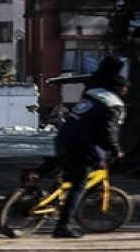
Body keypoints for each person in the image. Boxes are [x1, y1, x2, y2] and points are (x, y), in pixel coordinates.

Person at [51, 73, 128, 238]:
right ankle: (63, 225)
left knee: (67, 173)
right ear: (120, 89)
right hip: (81, 145)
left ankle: (47, 201)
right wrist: (115, 150)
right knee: (79, 183)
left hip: (63, 138)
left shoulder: (92, 96)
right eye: (124, 88)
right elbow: (109, 131)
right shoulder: (113, 105)